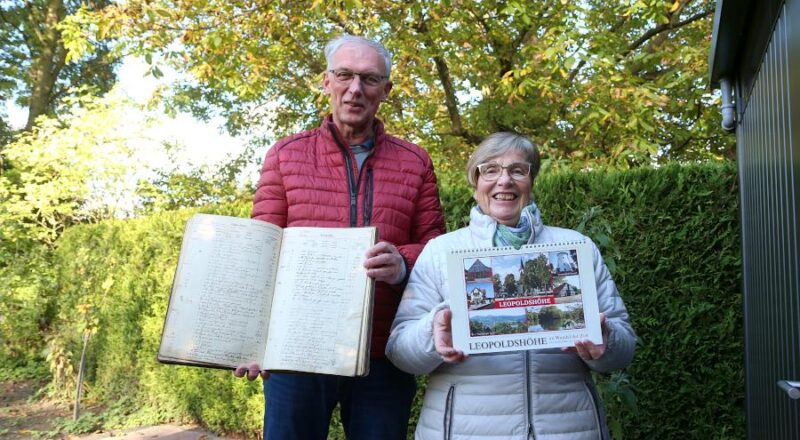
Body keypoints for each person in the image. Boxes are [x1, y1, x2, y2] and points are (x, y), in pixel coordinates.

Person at [233, 35, 446, 440]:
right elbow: (260, 250)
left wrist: (402, 262)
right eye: (344, 75)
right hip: (296, 351)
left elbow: (437, 247)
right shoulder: (285, 155)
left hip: (382, 351)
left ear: (386, 90)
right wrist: (252, 340)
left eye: (369, 79)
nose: (355, 89)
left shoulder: (414, 161)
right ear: (326, 81)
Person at [386, 132, 636, 440]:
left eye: (518, 170)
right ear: (475, 182)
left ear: (531, 181)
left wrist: (606, 341)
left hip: (568, 429)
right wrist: (432, 333)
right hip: (465, 431)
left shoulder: (575, 247)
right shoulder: (441, 251)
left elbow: (624, 348)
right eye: (490, 170)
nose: (504, 180)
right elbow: (400, 352)